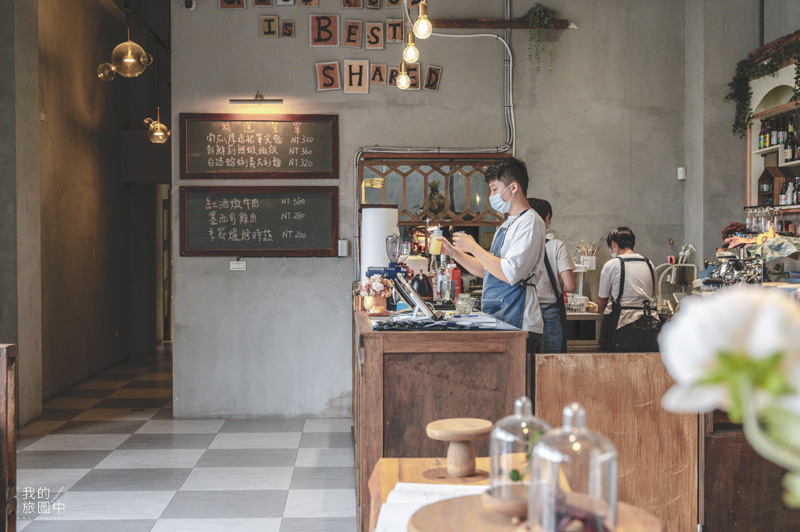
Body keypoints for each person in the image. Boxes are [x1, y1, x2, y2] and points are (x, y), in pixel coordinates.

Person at [439, 158, 547, 355]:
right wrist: (453, 252)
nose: (492, 196)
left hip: (521, 324)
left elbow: (510, 273)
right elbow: (487, 269)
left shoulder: (530, 222)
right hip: (501, 318)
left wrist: (473, 246)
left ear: (513, 187)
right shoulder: (507, 225)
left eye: (495, 189)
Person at [597, 227, 660, 352]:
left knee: (622, 369)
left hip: (626, 326)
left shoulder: (612, 264)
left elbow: (602, 300)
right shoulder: (649, 263)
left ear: (614, 244)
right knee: (648, 369)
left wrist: (600, 312)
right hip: (652, 325)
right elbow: (653, 293)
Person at [528, 198, 576, 353]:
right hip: (550, 311)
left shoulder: (517, 245)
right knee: (552, 366)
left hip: (526, 311)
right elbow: (570, 286)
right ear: (547, 218)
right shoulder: (557, 246)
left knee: (525, 366)